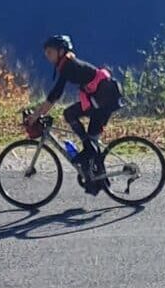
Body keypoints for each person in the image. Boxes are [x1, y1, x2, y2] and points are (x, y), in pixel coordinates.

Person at [26, 34, 121, 192]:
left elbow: (55, 94)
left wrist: (36, 115)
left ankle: (89, 152)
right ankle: (98, 179)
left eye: (50, 52)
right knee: (92, 140)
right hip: (103, 98)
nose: (47, 56)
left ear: (61, 51)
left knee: (70, 114)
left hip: (104, 99)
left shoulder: (68, 66)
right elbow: (54, 95)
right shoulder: (67, 64)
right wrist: (39, 112)